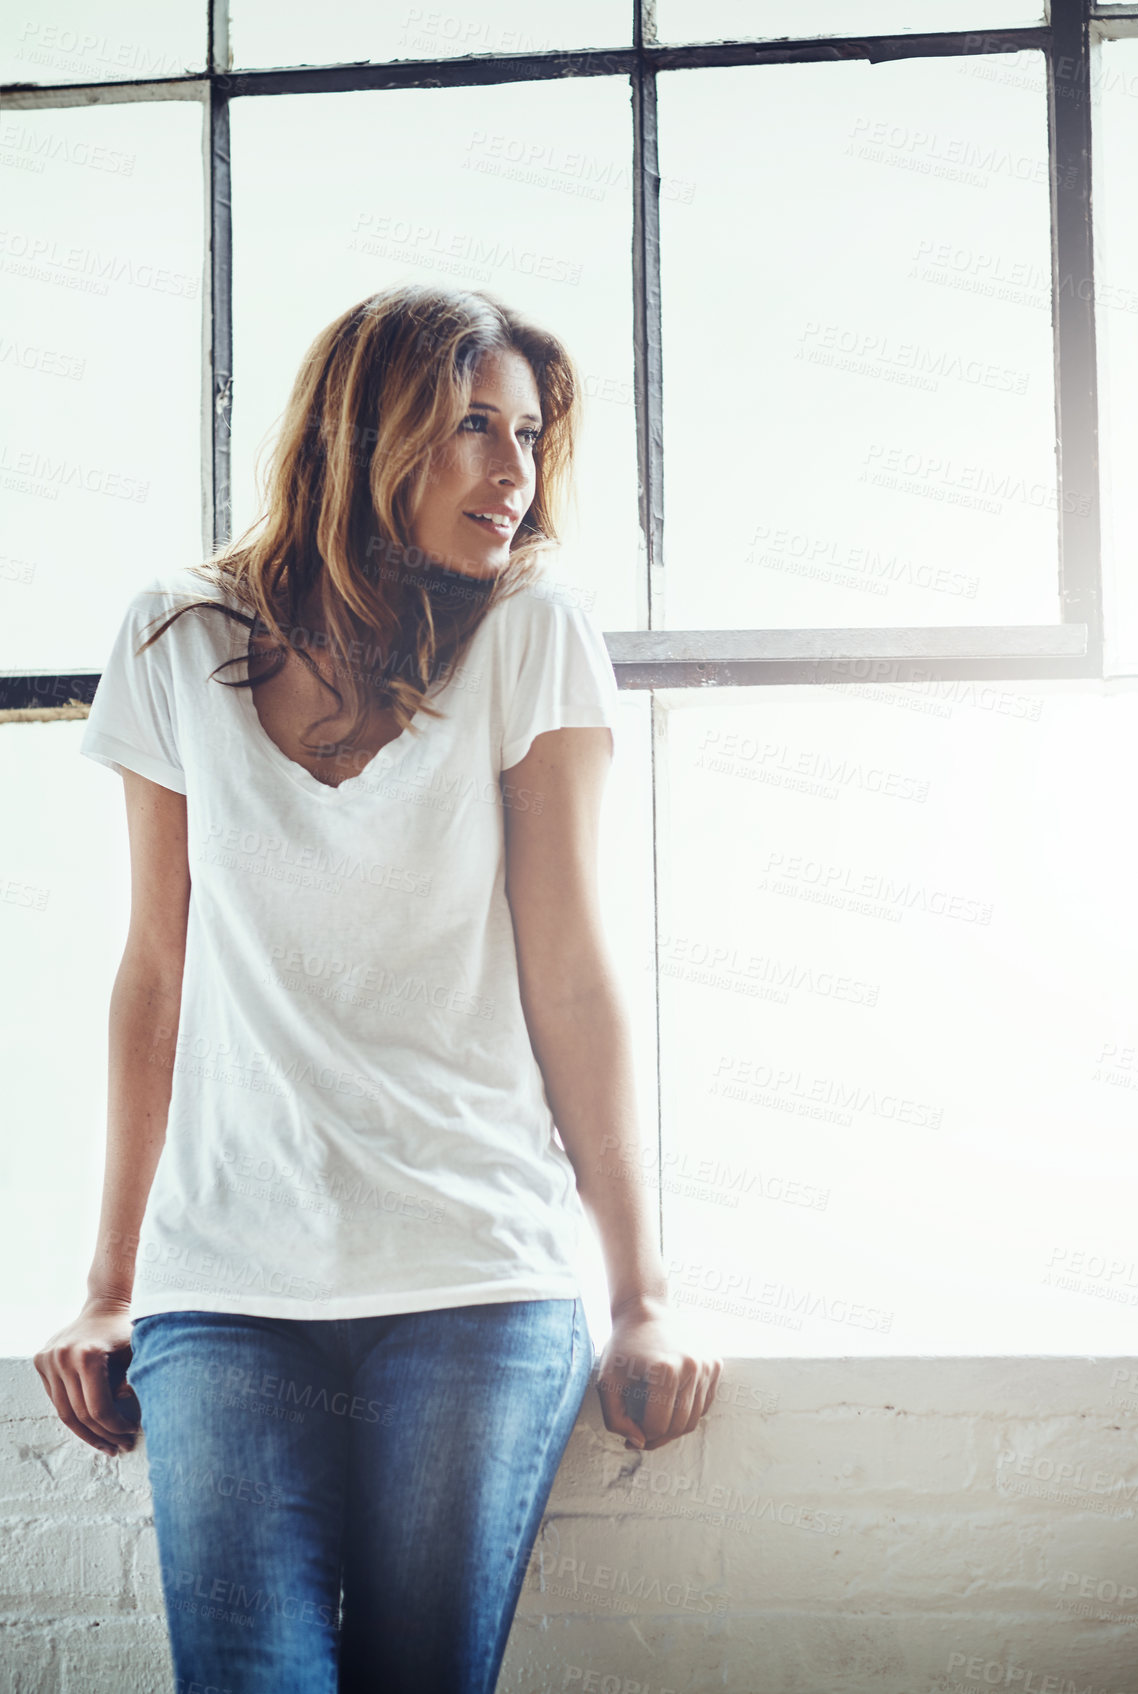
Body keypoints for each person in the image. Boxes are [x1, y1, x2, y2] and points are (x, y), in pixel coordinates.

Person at [34, 283, 723, 1693]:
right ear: (365, 431)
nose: (515, 472)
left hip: (476, 1277)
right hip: (223, 1290)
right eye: (474, 426)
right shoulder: (174, 636)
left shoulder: (530, 636)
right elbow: (154, 974)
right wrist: (107, 1284)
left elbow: (576, 977)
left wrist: (642, 1291)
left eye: (531, 434)